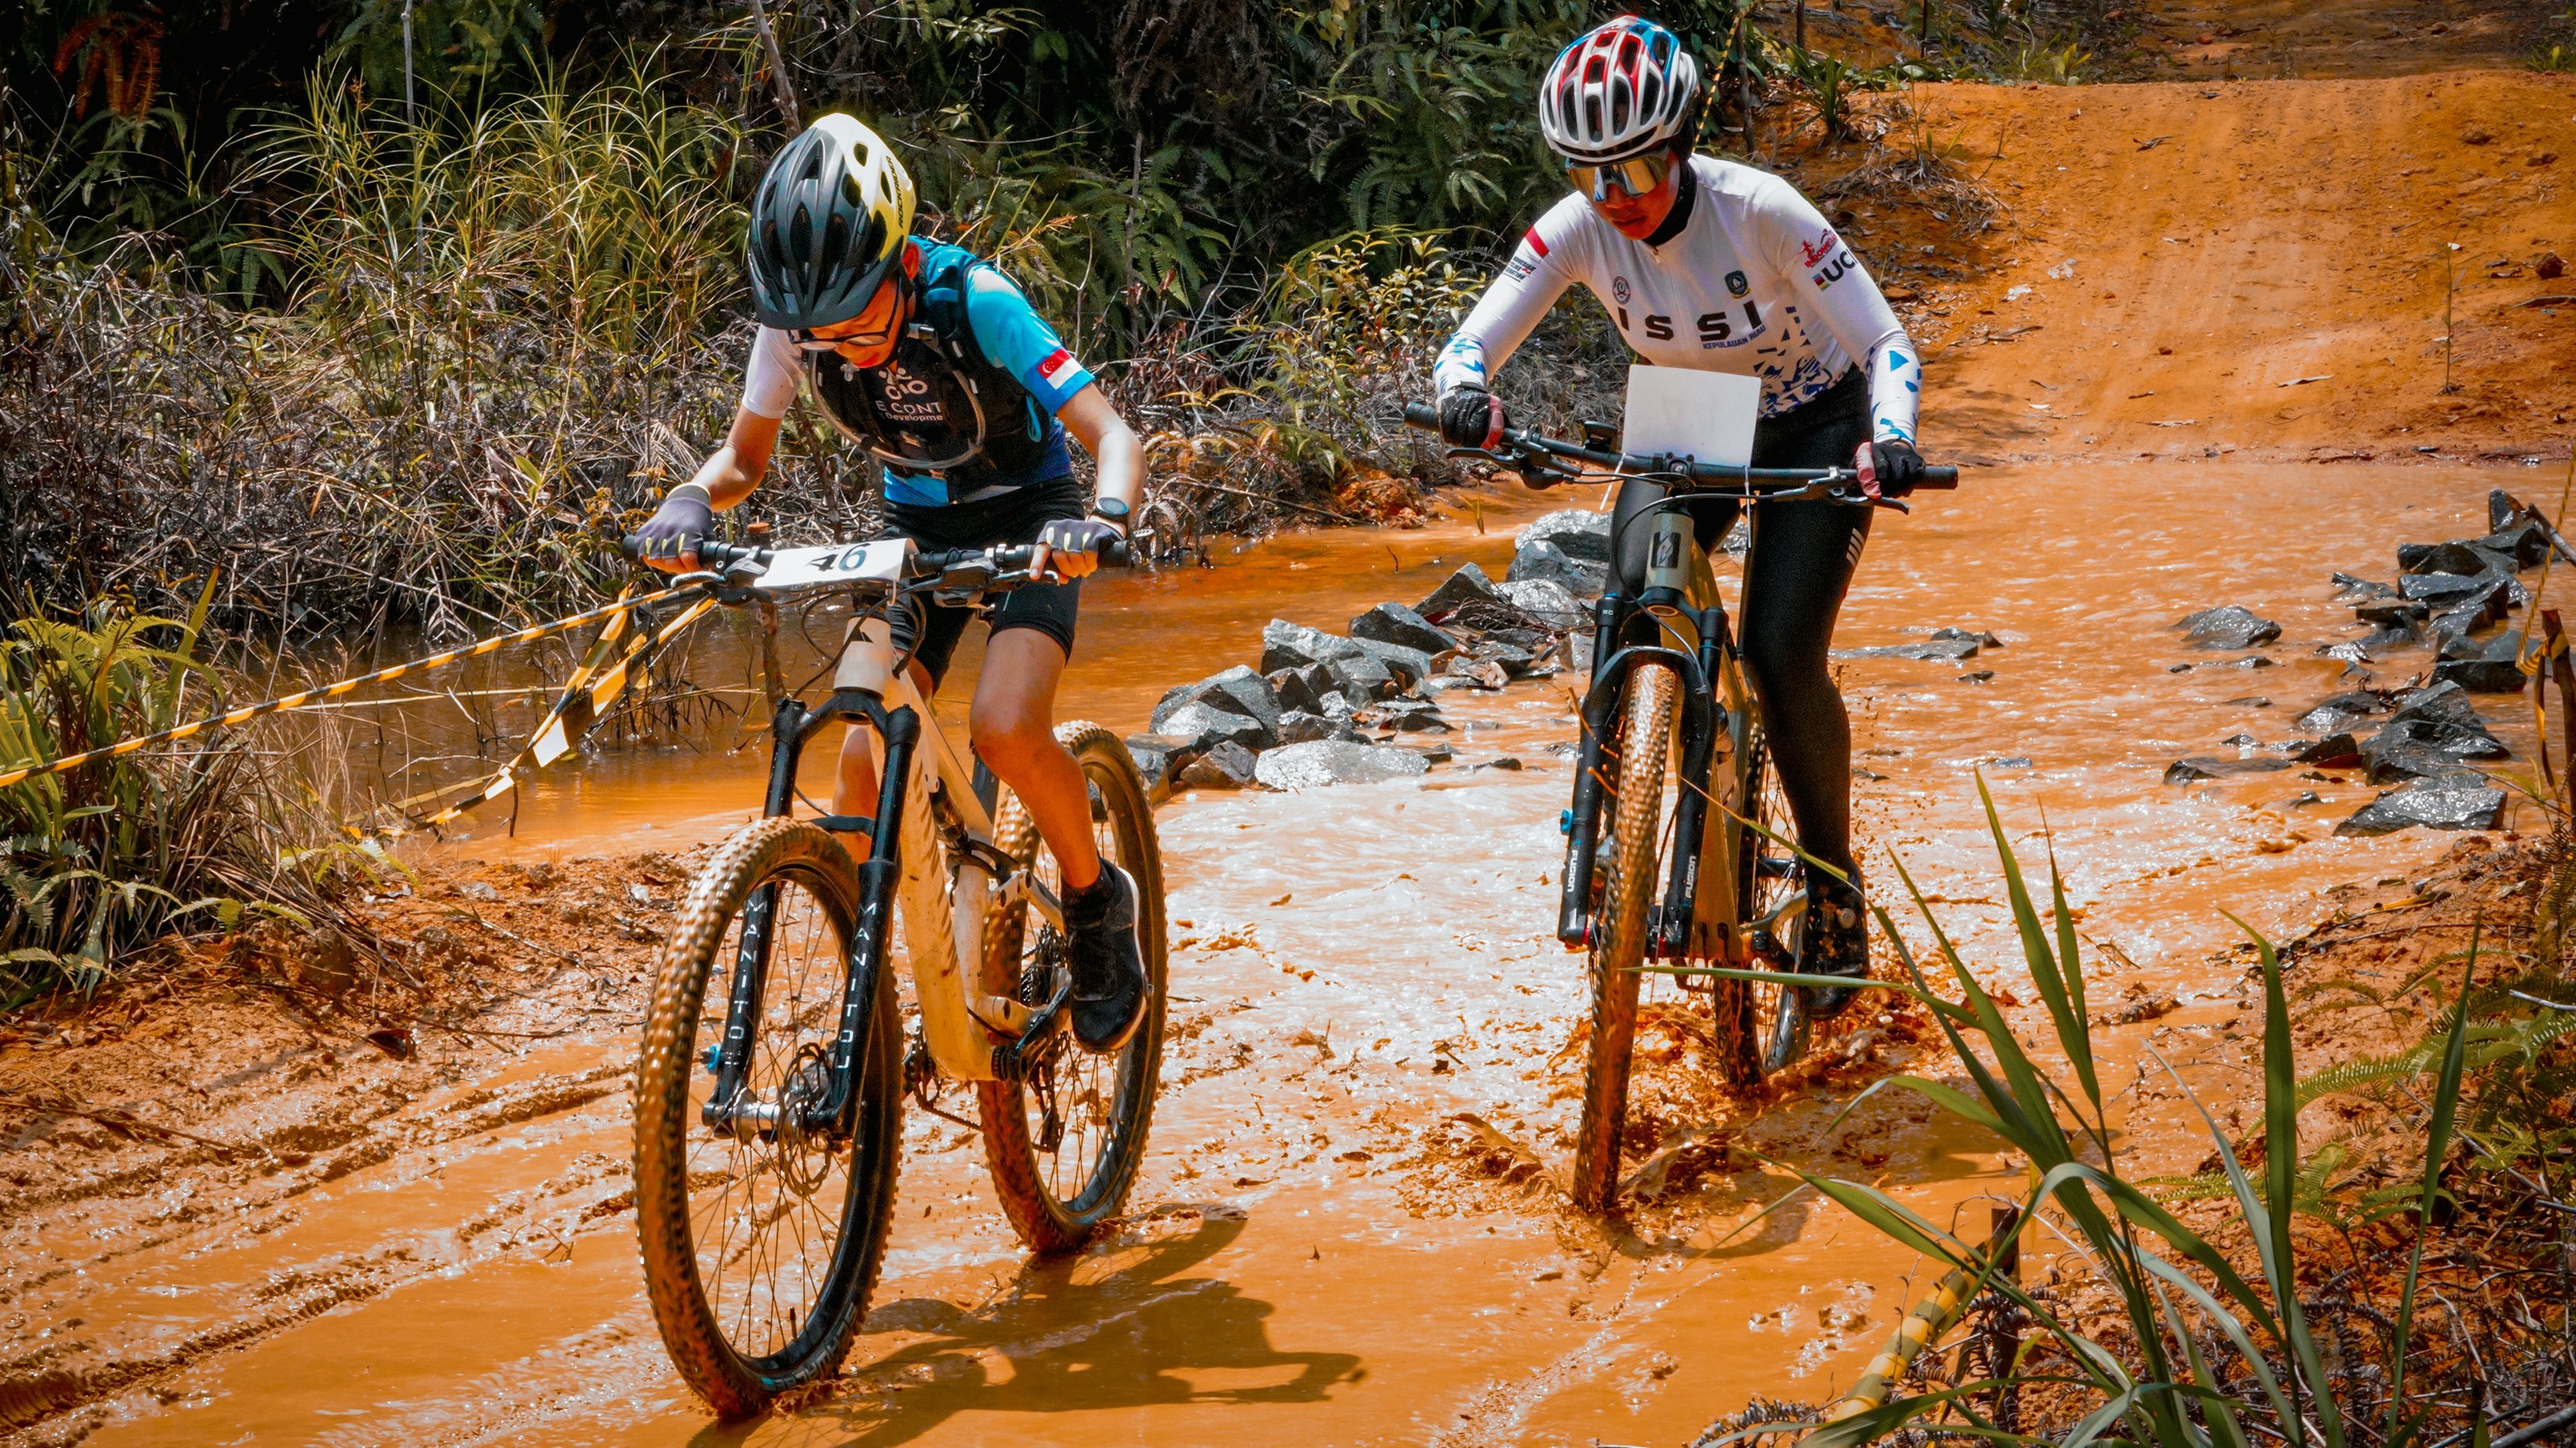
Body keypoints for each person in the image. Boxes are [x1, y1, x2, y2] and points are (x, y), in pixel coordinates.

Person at [1432, 15, 1926, 1018]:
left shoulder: (1763, 212)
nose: (1613, 200)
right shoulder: (1574, 230)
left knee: (1779, 656)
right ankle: (1617, 823)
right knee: (1628, 599)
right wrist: (1464, 395)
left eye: (1636, 170)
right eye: (1588, 174)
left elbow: (1884, 343)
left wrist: (1889, 434)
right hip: (1691, 422)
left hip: (1809, 422)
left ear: (1681, 145)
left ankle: (1830, 888)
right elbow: (1467, 345)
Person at [629, 115, 1147, 1053]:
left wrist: (1101, 524)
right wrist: (689, 500)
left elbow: (1112, 434)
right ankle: (864, 984)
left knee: (1004, 725)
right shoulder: (795, 330)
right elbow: (742, 461)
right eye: (817, 329)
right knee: (861, 742)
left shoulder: (977, 299)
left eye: (857, 318)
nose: (840, 344)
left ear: (902, 261)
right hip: (912, 531)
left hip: (1033, 519)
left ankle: (1095, 901)